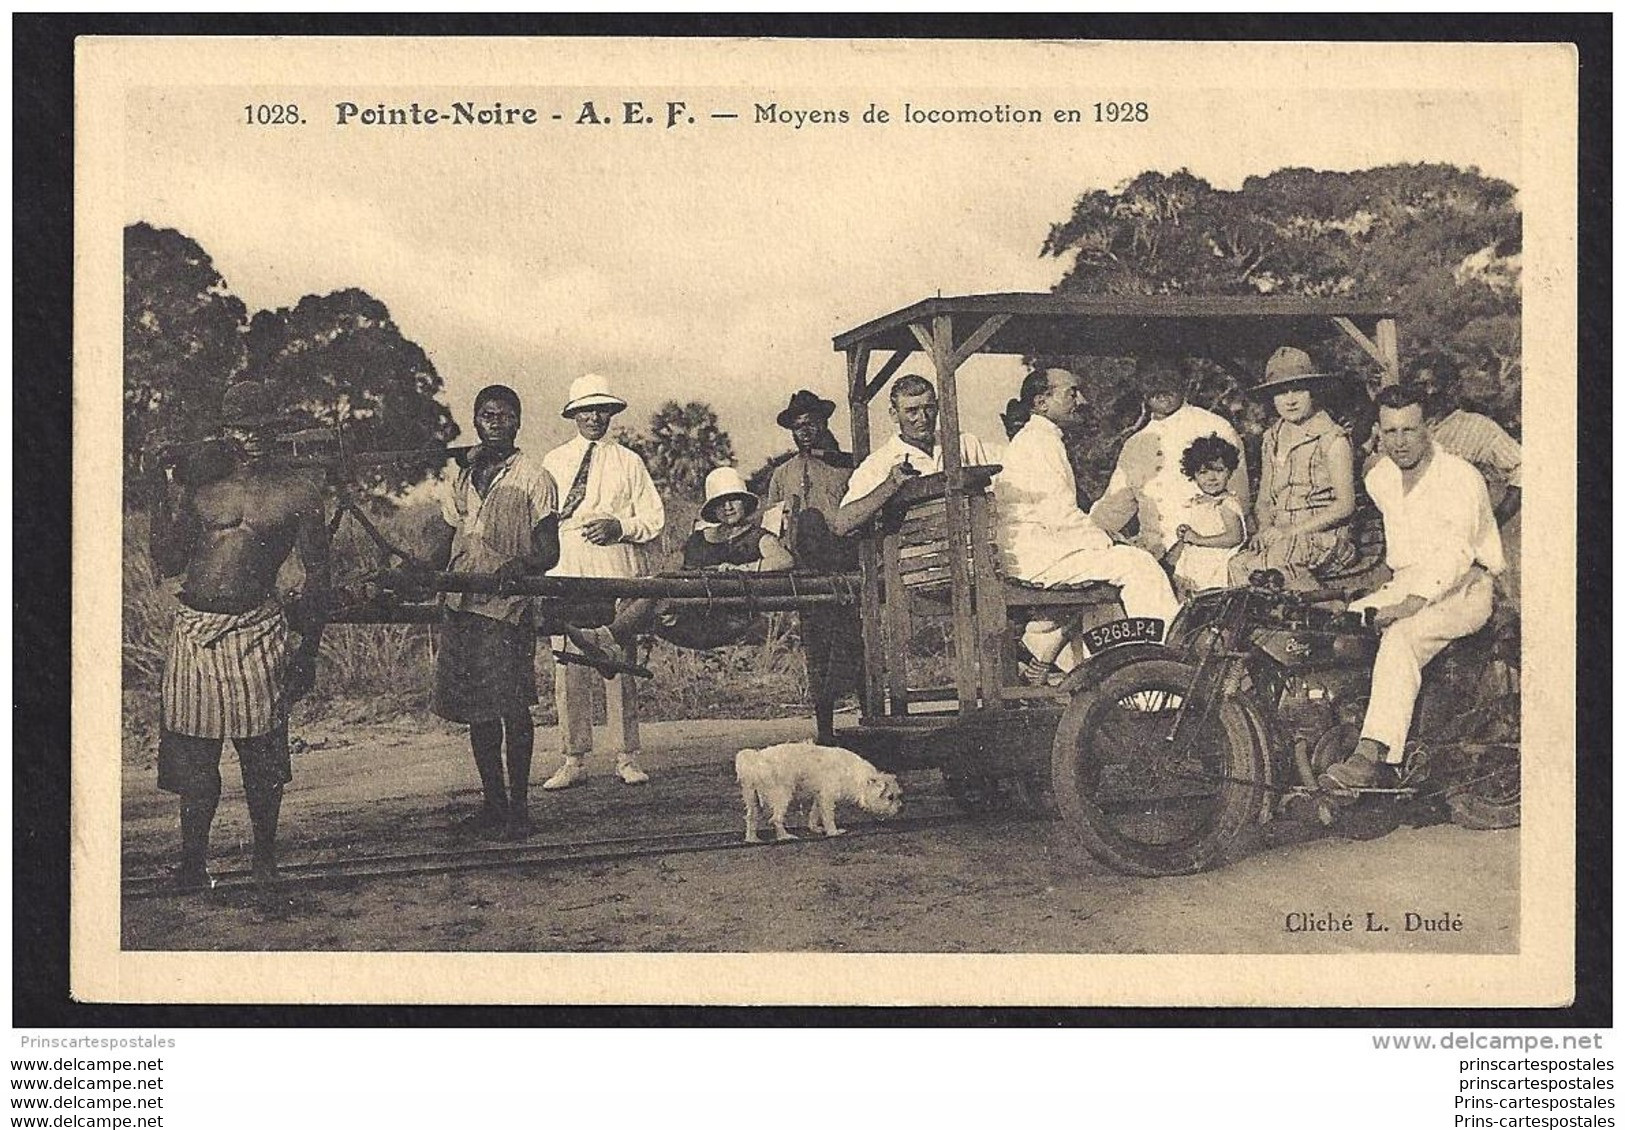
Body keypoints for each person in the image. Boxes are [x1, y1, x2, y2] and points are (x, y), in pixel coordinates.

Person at [146, 380, 331, 890]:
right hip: (195, 629)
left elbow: (319, 579)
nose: (252, 438)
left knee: (263, 760)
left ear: (277, 432)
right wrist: (164, 490)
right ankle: (192, 864)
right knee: (196, 761)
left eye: (261, 429)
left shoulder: (298, 491)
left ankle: (265, 862)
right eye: (241, 429)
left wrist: (306, 651)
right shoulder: (198, 487)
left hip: (258, 629)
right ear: (225, 431)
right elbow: (166, 557)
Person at [1318, 385, 1505, 793]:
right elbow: (1400, 553)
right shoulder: (1380, 478)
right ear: (1379, 433)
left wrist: (1411, 603)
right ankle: (1329, 731)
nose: (1399, 442)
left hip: (1464, 587)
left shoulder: (1459, 477)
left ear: (1429, 428)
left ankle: (1372, 754)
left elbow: (1456, 554)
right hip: (1407, 581)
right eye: (1390, 431)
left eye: (1409, 430)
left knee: (1402, 636)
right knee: (1331, 625)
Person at [426, 384, 560, 841]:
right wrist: (412, 570)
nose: (496, 423)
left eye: (504, 416)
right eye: (487, 416)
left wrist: (519, 566)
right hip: (463, 604)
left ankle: (519, 810)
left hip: (506, 609)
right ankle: (493, 804)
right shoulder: (462, 478)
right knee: (478, 711)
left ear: (518, 422)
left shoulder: (534, 478)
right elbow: (445, 538)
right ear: (476, 421)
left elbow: (549, 551)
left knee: (512, 708)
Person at [995, 368, 1180, 684]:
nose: (1079, 399)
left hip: (1037, 549)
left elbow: (1058, 516)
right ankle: (1169, 668)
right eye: (1071, 392)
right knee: (1139, 566)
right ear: (1041, 402)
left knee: (1116, 571)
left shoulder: (1040, 440)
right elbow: (1060, 517)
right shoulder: (1037, 444)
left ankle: (1053, 655)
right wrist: (1112, 541)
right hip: (1038, 555)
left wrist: (1109, 538)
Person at [540, 373, 666, 789]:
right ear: (573, 414)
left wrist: (620, 526)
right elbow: (539, 519)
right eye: (586, 410)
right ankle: (573, 757)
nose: (594, 417)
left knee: (618, 665)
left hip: (615, 569)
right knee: (568, 669)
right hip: (566, 569)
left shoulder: (629, 461)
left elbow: (653, 519)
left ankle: (627, 755)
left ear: (610, 412)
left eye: (601, 409)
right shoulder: (553, 461)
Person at [600, 466, 794, 647]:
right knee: (638, 594)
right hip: (687, 614)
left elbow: (784, 560)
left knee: (653, 595)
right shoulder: (700, 538)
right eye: (720, 503)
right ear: (713, 509)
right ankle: (611, 649)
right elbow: (673, 570)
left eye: (733, 499)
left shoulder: (757, 537)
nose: (727, 507)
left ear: (744, 502)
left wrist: (741, 569)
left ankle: (607, 639)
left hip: (725, 620)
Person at [765, 389, 861, 744]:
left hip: (843, 562)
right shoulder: (782, 474)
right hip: (803, 568)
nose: (805, 431)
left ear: (823, 424)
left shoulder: (845, 466)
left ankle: (868, 717)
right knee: (816, 647)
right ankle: (824, 730)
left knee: (853, 642)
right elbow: (773, 525)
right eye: (798, 426)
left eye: (811, 424)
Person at [1090, 359, 1249, 560]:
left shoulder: (1214, 427)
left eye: (1169, 381)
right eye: (1151, 383)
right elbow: (1114, 507)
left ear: (1184, 382)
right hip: (1152, 556)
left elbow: (1238, 500)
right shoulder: (1136, 444)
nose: (1161, 390)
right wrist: (1081, 536)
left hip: (1206, 555)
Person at [1227, 347, 1357, 590]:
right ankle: (1267, 625)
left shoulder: (1331, 438)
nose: (1290, 399)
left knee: (1267, 566)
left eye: (1298, 389)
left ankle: (1328, 611)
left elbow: (1345, 504)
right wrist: (1266, 529)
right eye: (1281, 392)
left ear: (1313, 391)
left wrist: (1289, 531)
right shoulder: (1271, 439)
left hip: (1322, 537)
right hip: (1281, 537)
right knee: (1237, 564)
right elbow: (1264, 500)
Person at [1415, 352, 1522, 609]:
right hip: (1417, 548)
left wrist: (1492, 521)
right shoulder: (1408, 430)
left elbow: (1524, 470)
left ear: (1451, 388)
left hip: (1465, 552)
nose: (1425, 392)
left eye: (1431, 384)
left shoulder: (1477, 427)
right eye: (1418, 386)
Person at [831, 374, 992, 536]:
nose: (923, 418)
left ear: (937, 407)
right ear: (894, 414)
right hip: (914, 555)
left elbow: (993, 495)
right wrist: (890, 485)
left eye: (928, 408)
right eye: (912, 411)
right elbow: (842, 523)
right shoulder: (879, 462)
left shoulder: (965, 443)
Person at [1169, 433, 1248, 599]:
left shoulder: (1226, 503)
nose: (1211, 478)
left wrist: (1198, 539)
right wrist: (1186, 532)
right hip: (1195, 566)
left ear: (1230, 471)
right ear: (1194, 475)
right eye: (1203, 472)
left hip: (1216, 568)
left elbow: (1235, 537)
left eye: (1219, 470)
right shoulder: (1198, 502)